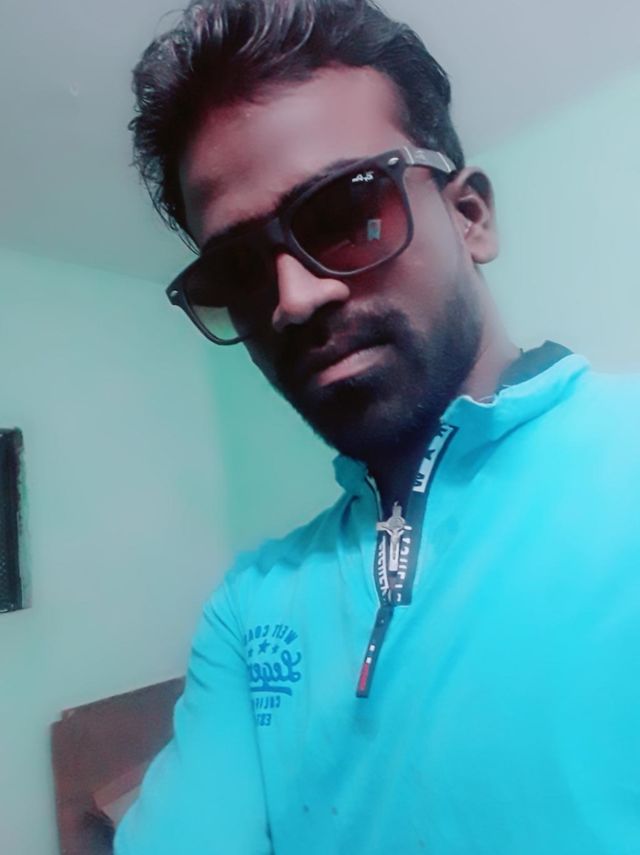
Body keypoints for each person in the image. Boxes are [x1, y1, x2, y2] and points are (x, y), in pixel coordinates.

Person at [115, 1, 640, 853]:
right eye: (240, 270)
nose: (293, 299)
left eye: (346, 214)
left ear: (470, 217)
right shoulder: (251, 607)